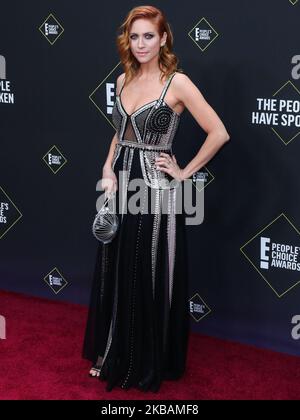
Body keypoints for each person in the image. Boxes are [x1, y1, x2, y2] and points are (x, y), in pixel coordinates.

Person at [82, 5, 230, 393]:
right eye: (135, 36)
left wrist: (183, 172)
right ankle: (114, 353)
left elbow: (218, 132)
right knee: (118, 266)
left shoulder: (176, 82)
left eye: (149, 36)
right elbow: (120, 132)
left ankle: (148, 359)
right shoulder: (122, 80)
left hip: (156, 191)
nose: (141, 43)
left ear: (163, 39)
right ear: (126, 41)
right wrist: (107, 168)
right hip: (122, 186)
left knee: (147, 269)